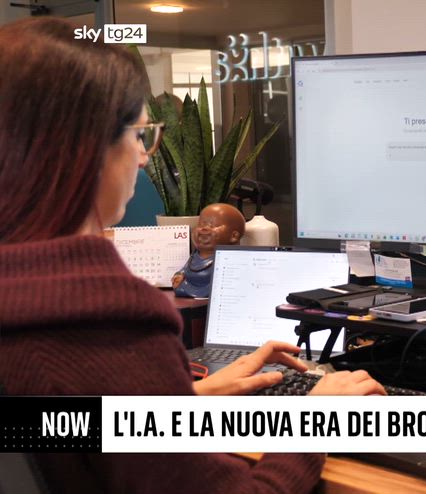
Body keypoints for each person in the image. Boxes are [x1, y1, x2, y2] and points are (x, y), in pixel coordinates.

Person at [0, 17, 385, 493]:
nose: (145, 157)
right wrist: (314, 420)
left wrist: (186, 398)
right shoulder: (108, 326)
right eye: (140, 134)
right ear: (87, 150)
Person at [172, 203, 245, 297]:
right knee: (179, 287)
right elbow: (185, 268)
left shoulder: (227, 258)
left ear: (234, 236)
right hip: (189, 285)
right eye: (201, 224)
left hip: (210, 288)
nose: (204, 228)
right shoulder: (195, 254)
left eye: (213, 225)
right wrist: (179, 274)